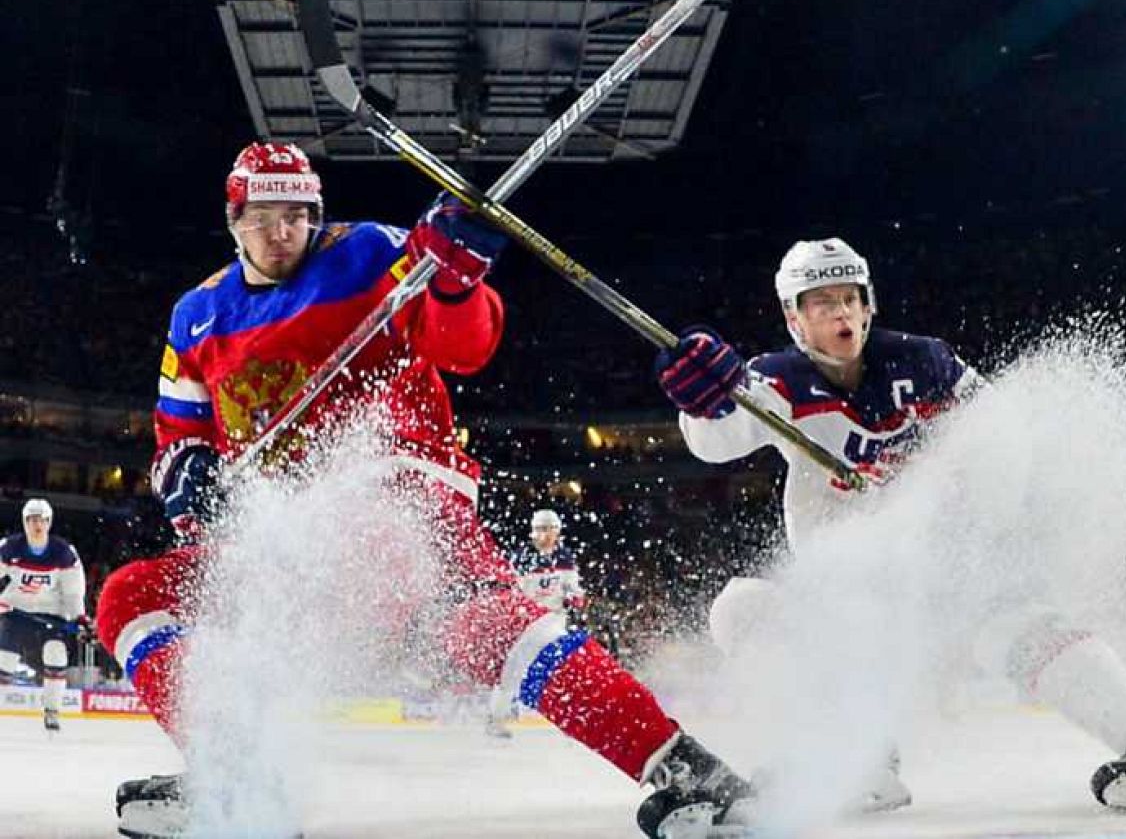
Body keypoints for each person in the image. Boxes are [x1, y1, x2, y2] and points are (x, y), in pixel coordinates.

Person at [95, 142, 752, 839]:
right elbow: (180, 434)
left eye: (297, 215)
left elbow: (462, 348)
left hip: (398, 489)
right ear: (234, 221)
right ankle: (235, 781)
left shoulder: (372, 252)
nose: (281, 232)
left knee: (480, 625)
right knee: (130, 596)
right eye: (262, 217)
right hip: (280, 528)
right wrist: (189, 477)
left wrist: (455, 285)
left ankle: (685, 769)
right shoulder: (197, 314)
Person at [652, 237, 1126, 811]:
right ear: (794, 318)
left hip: (956, 562)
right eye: (822, 302)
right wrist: (705, 404)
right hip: (855, 593)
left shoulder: (926, 361)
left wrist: (955, 516)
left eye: (850, 298)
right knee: (742, 608)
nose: (842, 313)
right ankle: (859, 761)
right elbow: (719, 442)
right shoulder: (774, 381)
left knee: (1013, 626)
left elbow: (1004, 436)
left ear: (868, 304)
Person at [485, 508, 589, 738]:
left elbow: (574, 589)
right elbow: (515, 591)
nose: (546, 534)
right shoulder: (523, 558)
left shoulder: (565, 558)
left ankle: (573, 722)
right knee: (511, 672)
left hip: (555, 623)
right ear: (533, 532)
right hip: (529, 625)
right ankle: (496, 718)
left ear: (557, 531)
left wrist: (575, 598)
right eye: (541, 529)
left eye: (550, 529)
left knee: (566, 668)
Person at [0, 498, 89, 732]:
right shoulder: (9, 548)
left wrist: (78, 617)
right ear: (24, 522)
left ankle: (52, 710)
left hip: (53, 613)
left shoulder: (64, 553)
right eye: (32, 520)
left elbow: (73, 592)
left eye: (42, 520)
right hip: (17, 612)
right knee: (4, 661)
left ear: (49, 523)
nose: (37, 525)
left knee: (56, 654)